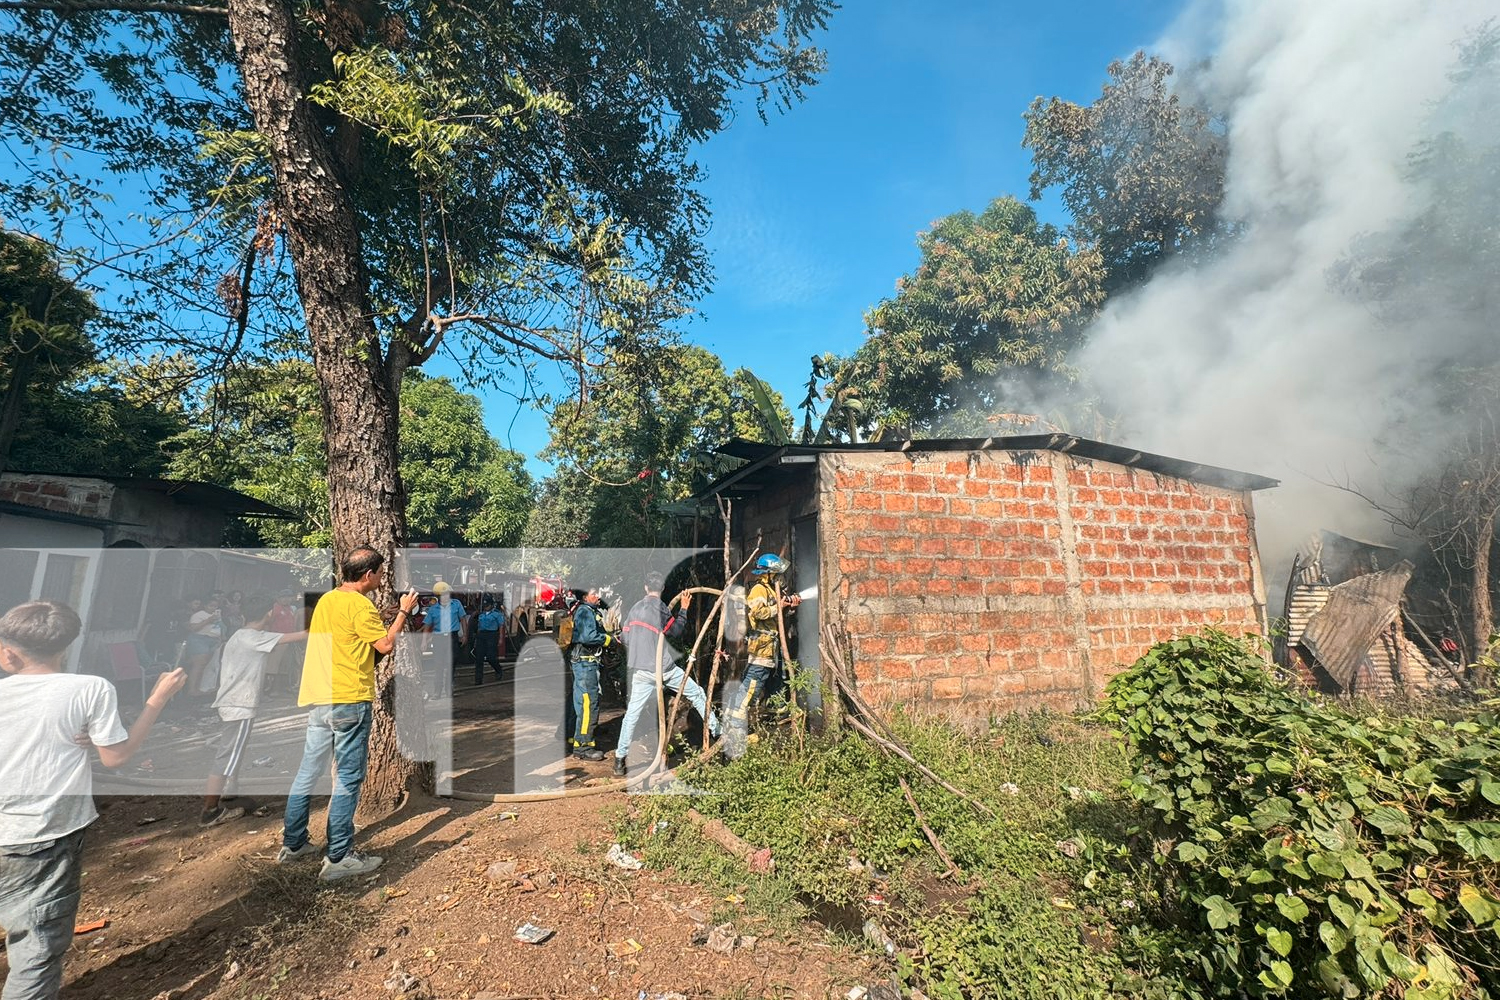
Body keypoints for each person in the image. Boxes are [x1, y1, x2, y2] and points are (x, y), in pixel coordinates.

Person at [0, 601, 186, 1000]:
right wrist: (158, 698)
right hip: (42, 836)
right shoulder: (89, 688)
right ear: (65, 647)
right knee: (36, 952)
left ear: (8, 652)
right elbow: (116, 757)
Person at [279, 546, 418, 882]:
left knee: (307, 772)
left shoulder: (329, 600)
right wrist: (402, 613)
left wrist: (381, 616)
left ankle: (293, 844)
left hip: (320, 698)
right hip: (349, 699)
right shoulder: (361, 604)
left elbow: (349, 635)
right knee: (349, 778)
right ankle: (339, 856)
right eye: (380, 573)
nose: (382, 578)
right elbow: (384, 646)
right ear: (368, 575)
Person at [200, 592, 310, 828]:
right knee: (226, 758)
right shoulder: (254, 638)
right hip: (239, 706)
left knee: (233, 755)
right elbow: (300, 635)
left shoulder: (240, 636)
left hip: (233, 703)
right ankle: (210, 811)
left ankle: (230, 794)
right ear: (269, 613)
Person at [614, 572, 719, 777]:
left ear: (646, 587)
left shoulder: (635, 609)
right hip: (665, 670)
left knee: (632, 714)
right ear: (661, 589)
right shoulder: (660, 608)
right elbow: (676, 631)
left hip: (641, 672)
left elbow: (623, 637)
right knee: (696, 693)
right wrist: (685, 609)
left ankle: (619, 759)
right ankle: (717, 730)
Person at [726, 554, 800, 758]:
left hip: (772, 649)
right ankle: (736, 732)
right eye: (778, 574)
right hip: (762, 650)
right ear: (769, 574)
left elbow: (776, 618)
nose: (781, 578)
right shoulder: (759, 589)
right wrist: (779, 606)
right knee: (749, 690)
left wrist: (789, 608)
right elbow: (758, 613)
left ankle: (779, 722)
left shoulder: (771, 590)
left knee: (776, 686)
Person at [569, 589, 613, 761]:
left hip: (584, 663)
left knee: (579, 701)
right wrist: (608, 640)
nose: (598, 596)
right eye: (594, 593)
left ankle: (574, 736)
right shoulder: (585, 611)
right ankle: (583, 747)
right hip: (585, 664)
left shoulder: (586, 610)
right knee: (588, 703)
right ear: (585, 597)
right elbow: (589, 637)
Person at [423, 581, 467, 698]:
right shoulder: (433, 609)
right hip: (438, 639)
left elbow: (463, 619)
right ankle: (437, 691)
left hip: (452, 637)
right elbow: (427, 625)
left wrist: (465, 635)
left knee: (451, 663)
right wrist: (424, 641)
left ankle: (449, 689)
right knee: (438, 665)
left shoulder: (456, 604)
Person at [472, 598, 505, 685]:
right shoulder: (480, 614)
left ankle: (498, 670)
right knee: (479, 658)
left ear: (491, 605)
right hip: (481, 635)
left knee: (491, 657)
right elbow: (477, 625)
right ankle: (478, 679)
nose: (486, 607)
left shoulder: (497, 614)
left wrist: (501, 638)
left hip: (492, 635)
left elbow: (501, 626)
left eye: (487, 605)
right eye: (485, 606)